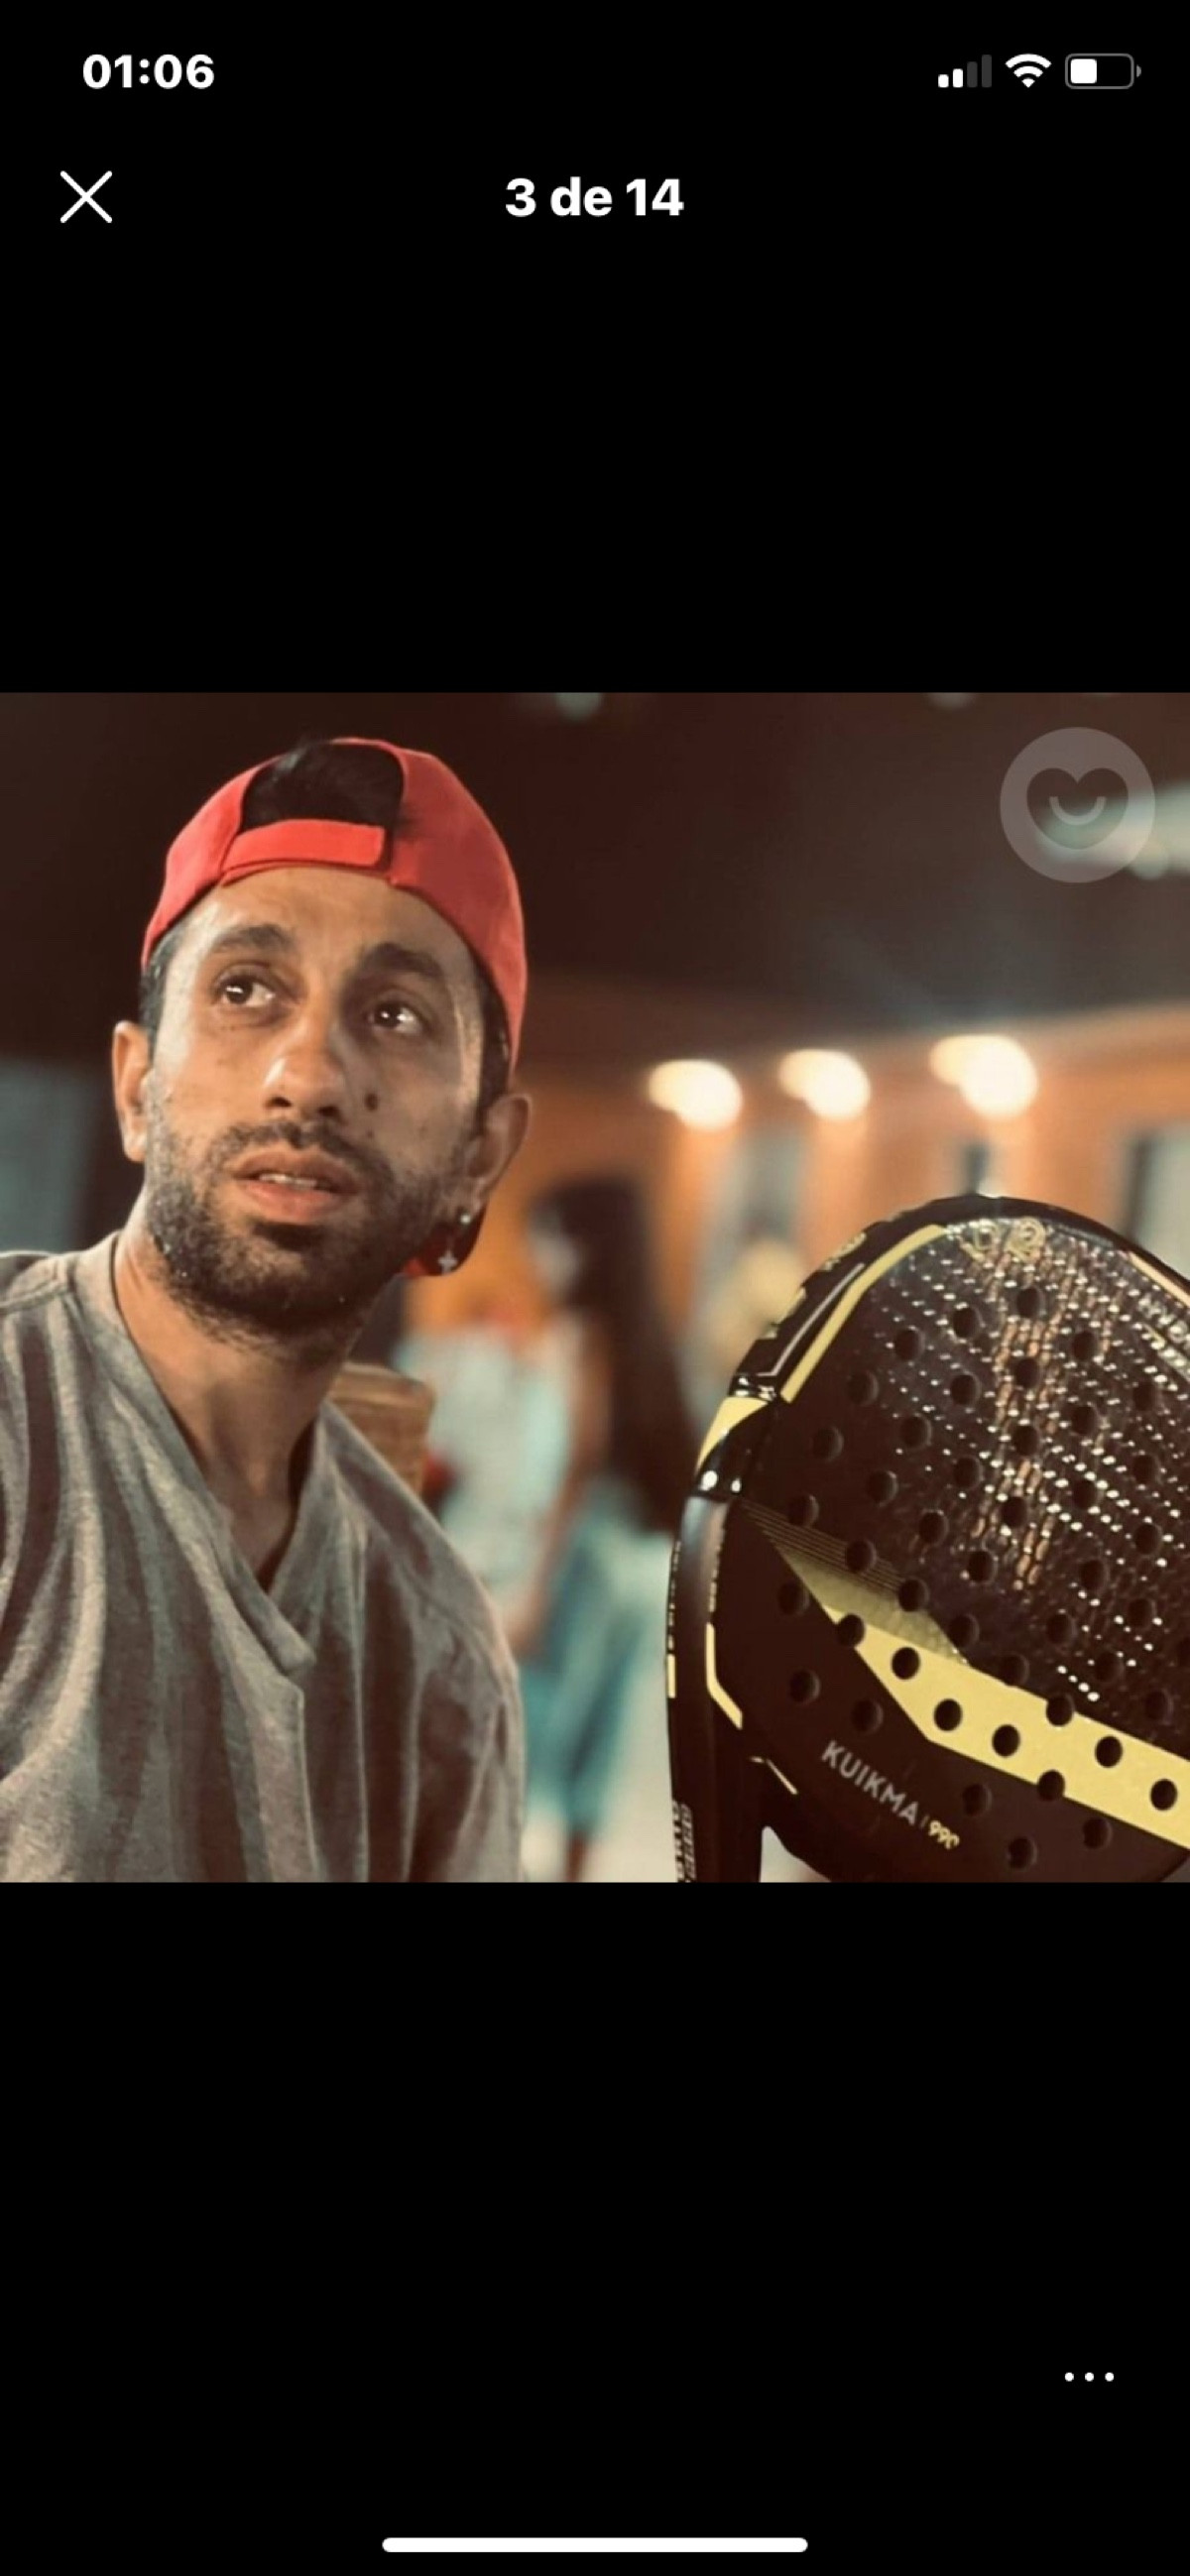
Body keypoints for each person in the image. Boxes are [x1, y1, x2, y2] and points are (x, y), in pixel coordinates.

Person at [0, 736, 534, 1882]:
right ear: (137, 1085)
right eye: (245, 990)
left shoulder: (437, 1655)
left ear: (480, 1153)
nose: (310, 1076)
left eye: (396, 1015)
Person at [508, 1175, 700, 1882]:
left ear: (581, 1244)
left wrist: (535, 1585)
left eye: (546, 1239)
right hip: (646, 1557)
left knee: (530, 1719)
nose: (537, 1257)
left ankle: (498, 1861)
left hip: (587, 1549)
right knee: (604, 1733)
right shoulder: (652, 1338)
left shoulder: (580, 1332)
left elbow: (576, 1458)